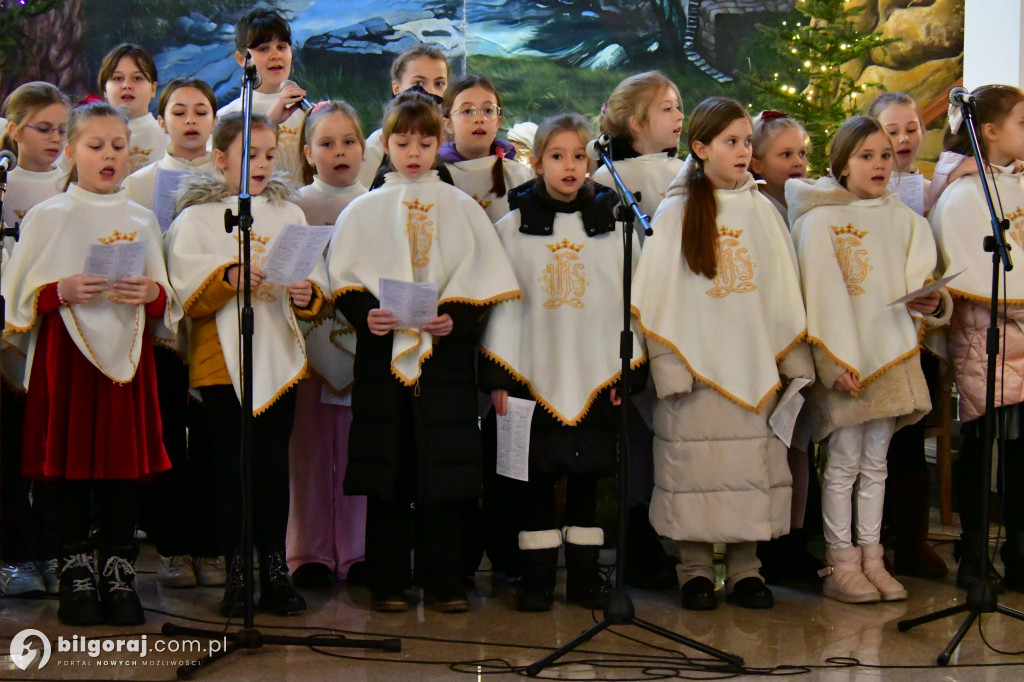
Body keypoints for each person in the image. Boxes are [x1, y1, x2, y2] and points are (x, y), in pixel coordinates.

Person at [327, 95, 519, 613]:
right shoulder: (364, 209)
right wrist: (365, 312)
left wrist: (456, 317)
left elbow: (484, 279)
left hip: (446, 362)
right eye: (403, 142)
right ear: (385, 146)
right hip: (383, 359)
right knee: (388, 472)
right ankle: (388, 581)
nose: (414, 152)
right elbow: (342, 279)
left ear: (439, 144)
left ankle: (445, 580)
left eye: (426, 142)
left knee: (446, 473)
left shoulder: (460, 208)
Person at [1, 101, 180, 625]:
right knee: (70, 468)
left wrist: (151, 292)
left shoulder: (141, 219)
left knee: (120, 471)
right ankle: (75, 572)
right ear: (72, 152)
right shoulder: (47, 217)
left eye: (118, 147)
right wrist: (61, 288)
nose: (108, 156)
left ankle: (119, 572)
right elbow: (18, 299)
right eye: (96, 146)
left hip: (127, 360)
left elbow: (165, 298)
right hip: (68, 361)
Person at [632, 97, 812, 611]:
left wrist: (790, 359)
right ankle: (692, 568)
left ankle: (745, 569)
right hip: (694, 369)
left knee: (749, 468)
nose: (742, 150)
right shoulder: (677, 211)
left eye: (746, 141)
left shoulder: (760, 210)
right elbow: (656, 299)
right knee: (693, 470)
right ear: (701, 147)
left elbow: (783, 292)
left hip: (754, 364)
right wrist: (669, 364)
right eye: (730, 141)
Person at [479, 113, 645, 611]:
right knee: (533, 475)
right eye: (557, 156)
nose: (569, 166)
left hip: (595, 374)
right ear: (535, 163)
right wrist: (502, 375)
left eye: (579, 157)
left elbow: (631, 300)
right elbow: (503, 304)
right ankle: (535, 578)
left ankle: (586, 577)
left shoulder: (614, 224)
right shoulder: (512, 227)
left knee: (587, 477)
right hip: (532, 371)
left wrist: (628, 372)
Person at [165, 112, 328, 616]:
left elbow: (316, 290)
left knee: (271, 469)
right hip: (220, 365)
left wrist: (305, 293)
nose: (261, 164)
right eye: (249, 155)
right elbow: (185, 296)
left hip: (277, 358)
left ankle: (275, 568)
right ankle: (238, 570)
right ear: (220, 159)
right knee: (229, 469)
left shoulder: (289, 214)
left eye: (267, 155)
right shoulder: (194, 218)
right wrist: (228, 277)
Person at [788, 115, 950, 604]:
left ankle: (873, 557)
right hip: (845, 361)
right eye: (866, 156)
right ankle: (841, 562)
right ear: (842, 165)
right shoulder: (819, 221)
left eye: (884, 155)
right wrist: (833, 362)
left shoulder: (904, 219)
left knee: (876, 461)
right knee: (841, 463)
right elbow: (818, 297)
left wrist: (933, 302)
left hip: (891, 355)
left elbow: (925, 281)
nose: (879, 164)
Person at [123, 77, 223, 590]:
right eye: (179, 111)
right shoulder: (138, 185)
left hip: (213, 329)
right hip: (158, 332)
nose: (190, 120)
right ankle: (172, 546)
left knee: (210, 440)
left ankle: (212, 545)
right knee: (163, 439)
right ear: (161, 121)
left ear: (214, 120)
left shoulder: (231, 180)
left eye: (200, 111)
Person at [591, 69, 686, 590]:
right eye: (668, 107)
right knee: (638, 435)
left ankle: (676, 533)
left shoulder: (688, 172)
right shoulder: (609, 180)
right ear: (636, 121)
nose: (679, 117)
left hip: (680, 319)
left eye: (678, 107)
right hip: (629, 321)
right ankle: (636, 531)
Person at [929, 84, 1024, 592]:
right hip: (987, 341)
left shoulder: (1016, 186)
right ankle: (973, 554)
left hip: (1022, 344)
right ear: (989, 132)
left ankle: (1020, 550)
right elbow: (965, 272)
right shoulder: (965, 193)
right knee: (983, 443)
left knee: (1021, 454)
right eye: (1022, 124)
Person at [866, 91, 949, 580]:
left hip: (917, 327)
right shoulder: (853, 188)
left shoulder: (932, 188)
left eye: (911, 128)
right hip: (870, 327)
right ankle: (868, 540)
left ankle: (912, 539)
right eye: (890, 130)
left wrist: (936, 298)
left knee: (911, 433)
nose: (902, 139)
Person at [286, 100, 368, 587]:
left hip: (365, 344)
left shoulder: (378, 202)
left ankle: (359, 551)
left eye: (349, 141)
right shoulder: (294, 207)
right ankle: (308, 552)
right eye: (327, 143)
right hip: (308, 349)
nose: (340, 152)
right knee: (309, 451)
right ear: (308, 151)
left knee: (359, 446)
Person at [0, 81, 69, 598]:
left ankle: (54, 550)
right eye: (43, 129)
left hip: (59, 332)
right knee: (8, 449)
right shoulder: (5, 184)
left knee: (50, 450)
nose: (54, 139)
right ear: (14, 130)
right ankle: (15, 554)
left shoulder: (74, 185)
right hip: (9, 329)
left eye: (62, 130)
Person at [748, 109, 823, 585]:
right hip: (771, 343)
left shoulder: (813, 207)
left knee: (801, 445)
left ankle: (798, 537)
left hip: (808, 340)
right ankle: (772, 545)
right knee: (774, 448)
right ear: (756, 162)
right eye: (784, 154)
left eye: (802, 153)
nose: (797, 162)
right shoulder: (756, 211)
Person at [218, 8, 307, 183]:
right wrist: (270, 121)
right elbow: (221, 179)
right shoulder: (225, 117)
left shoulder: (306, 112)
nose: (275, 55)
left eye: (282, 47)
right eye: (263, 49)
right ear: (241, 59)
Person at [439, 75, 533, 223]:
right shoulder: (437, 176)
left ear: (498, 122)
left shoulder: (521, 177)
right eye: (467, 111)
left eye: (488, 110)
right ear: (448, 124)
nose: (479, 119)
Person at [356, 44, 450, 188]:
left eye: (439, 84)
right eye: (418, 82)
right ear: (396, 88)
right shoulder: (377, 146)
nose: (431, 91)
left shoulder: (453, 138)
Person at [99, 43, 164, 173]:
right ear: (105, 90)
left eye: (137, 78)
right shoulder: (87, 136)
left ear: (153, 89)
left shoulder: (167, 137)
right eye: (117, 78)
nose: (127, 85)